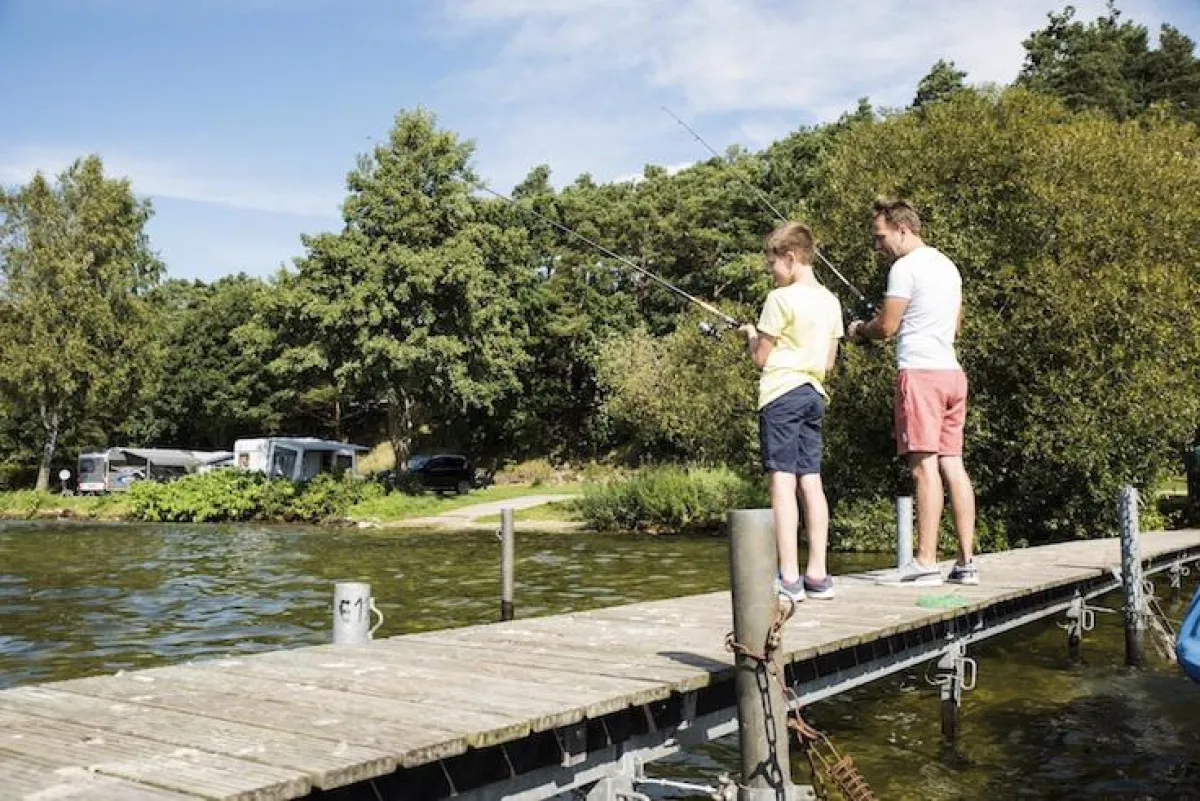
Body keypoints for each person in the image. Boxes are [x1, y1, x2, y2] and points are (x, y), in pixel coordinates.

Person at [848, 198, 977, 586]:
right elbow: (954, 326)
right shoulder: (948, 266)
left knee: (924, 467)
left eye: (880, 237)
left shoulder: (904, 269)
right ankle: (966, 562)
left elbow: (886, 327)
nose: (878, 246)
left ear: (902, 230)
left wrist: (860, 330)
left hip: (920, 375)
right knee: (953, 465)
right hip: (952, 374)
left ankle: (925, 562)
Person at [739, 221, 844, 604]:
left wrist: (751, 336)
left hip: (781, 394)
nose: (772, 272)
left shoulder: (779, 299)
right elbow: (828, 363)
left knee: (782, 483)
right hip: (814, 395)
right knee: (811, 480)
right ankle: (818, 575)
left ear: (791, 257)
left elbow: (761, 359)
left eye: (773, 265)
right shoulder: (831, 301)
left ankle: (788, 577)